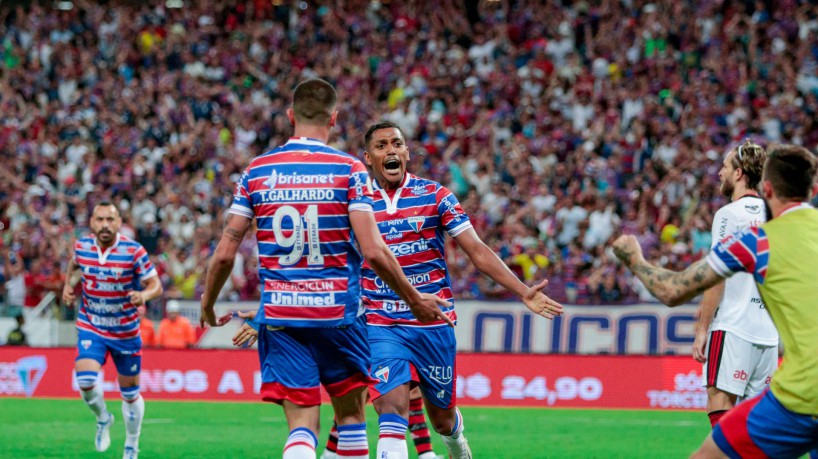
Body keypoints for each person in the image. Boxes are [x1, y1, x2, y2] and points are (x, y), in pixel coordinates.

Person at [236, 121, 563, 459]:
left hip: (433, 322)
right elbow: (320, 264)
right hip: (379, 324)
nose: (391, 150)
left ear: (406, 152)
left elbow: (477, 250)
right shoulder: (353, 204)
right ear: (368, 157)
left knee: (442, 418)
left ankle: (455, 441)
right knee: (391, 411)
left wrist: (522, 290)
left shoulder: (435, 195)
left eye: (397, 144)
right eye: (381, 145)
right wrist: (272, 307)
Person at [200, 79, 450, 459]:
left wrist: (207, 303)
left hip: (283, 319)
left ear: (289, 116)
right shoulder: (349, 170)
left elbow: (223, 254)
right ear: (333, 118)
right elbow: (374, 251)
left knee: (302, 428)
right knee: (350, 419)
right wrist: (414, 299)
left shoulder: (256, 171)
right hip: (339, 317)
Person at [612, 144, 818, 458]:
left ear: (768, 188)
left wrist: (635, 260)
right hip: (771, 345)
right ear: (812, 189)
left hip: (801, 394)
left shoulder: (759, 240)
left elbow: (673, 291)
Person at [62, 201, 163, 459]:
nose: (105, 225)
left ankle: (131, 444)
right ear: (92, 223)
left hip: (125, 332)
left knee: (130, 394)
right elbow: (74, 266)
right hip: (92, 325)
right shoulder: (82, 246)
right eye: (100, 220)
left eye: (110, 219)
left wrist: (144, 294)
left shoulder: (133, 251)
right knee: (85, 381)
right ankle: (103, 418)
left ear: (119, 223)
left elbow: (156, 285)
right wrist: (67, 287)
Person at [692, 140, 778, 429]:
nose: (719, 173)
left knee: (722, 416)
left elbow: (717, 275)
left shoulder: (730, 214)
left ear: (739, 173)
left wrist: (703, 329)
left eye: (725, 167)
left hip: (734, 327)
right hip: (768, 336)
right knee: (758, 428)